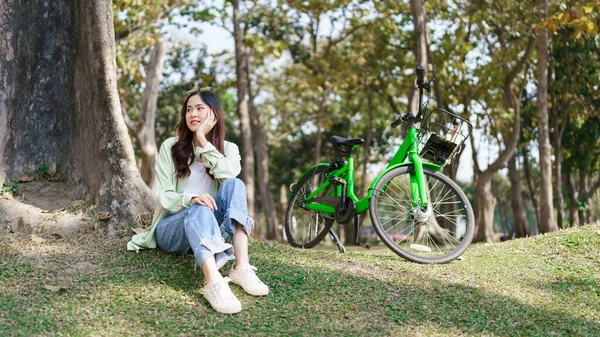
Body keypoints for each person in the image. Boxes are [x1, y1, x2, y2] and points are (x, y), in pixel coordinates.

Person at [127, 87, 269, 314]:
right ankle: (213, 282)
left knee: (236, 184)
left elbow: (229, 175)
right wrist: (192, 199)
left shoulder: (229, 149)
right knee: (200, 206)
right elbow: (164, 196)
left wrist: (203, 141)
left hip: (209, 225)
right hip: (172, 227)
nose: (193, 114)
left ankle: (241, 267)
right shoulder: (170, 147)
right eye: (189, 110)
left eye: (200, 109)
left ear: (213, 114)